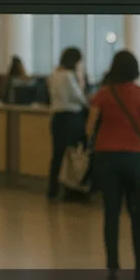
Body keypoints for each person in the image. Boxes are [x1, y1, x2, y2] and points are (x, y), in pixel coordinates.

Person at [85, 50, 140, 280]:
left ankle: (113, 265)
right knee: (137, 214)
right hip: (134, 158)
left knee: (111, 213)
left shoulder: (102, 94)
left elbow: (90, 126)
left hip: (107, 158)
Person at [48, 47, 89, 201]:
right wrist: (81, 83)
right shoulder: (69, 76)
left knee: (57, 156)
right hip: (72, 118)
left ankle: (52, 190)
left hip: (57, 118)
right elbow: (79, 98)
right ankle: (76, 188)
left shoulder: (54, 75)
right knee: (76, 154)